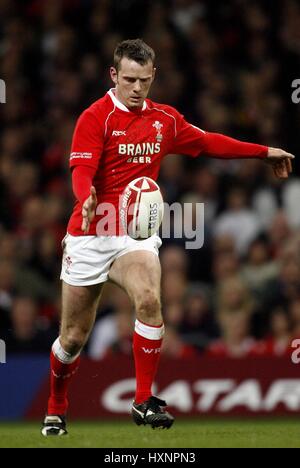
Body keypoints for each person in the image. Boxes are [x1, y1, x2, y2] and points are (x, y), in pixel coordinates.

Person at [41, 38, 294, 436]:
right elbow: (81, 171)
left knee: (149, 299)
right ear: (114, 75)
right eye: (128, 79)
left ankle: (143, 400)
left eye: (143, 80)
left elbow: (209, 141)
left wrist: (263, 152)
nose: (137, 88)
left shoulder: (165, 120)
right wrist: (85, 196)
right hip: (91, 230)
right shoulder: (96, 117)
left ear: (153, 75)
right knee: (72, 338)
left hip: (134, 232)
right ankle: (56, 406)